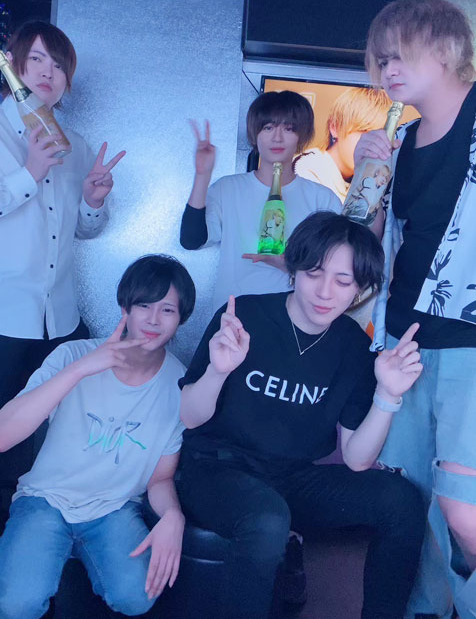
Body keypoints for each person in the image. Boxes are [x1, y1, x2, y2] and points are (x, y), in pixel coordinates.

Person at [177, 210, 425, 619]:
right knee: (267, 518)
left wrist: (387, 394)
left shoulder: (352, 347)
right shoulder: (245, 317)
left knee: (400, 501)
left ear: (359, 289)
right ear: (293, 270)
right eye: (314, 273)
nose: (325, 292)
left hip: (290, 477)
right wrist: (218, 371)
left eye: (343, 281)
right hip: (214, 468)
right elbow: (189, 417)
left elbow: (357, 459)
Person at [0, 21, 126, 552]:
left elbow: (81, 230)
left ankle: (47, 530)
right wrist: (30, 173)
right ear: (15, 65)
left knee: (61, 431)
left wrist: (94, 200)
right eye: (37, 59)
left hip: (58, 319)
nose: (48, 72)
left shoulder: (75, 144)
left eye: (59, 65)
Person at [0, 254, 195, 619]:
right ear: (125, 307)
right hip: (45, 499)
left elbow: (160, 477)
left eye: (167, 310)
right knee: (15, 606)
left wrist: (173, 517)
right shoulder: (74, 354)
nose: (153, 320)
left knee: (137, 597)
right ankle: (15, 552)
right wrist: (81, 369)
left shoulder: (180, 386)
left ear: (181, 319)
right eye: (144, 305)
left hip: (114, 508)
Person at [360, 0, 476, 618]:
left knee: (463, 509)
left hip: (470, 340)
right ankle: (426, 609)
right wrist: (368, 181)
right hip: (402, 336)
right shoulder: (398, 140)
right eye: (382, 59)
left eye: (400, 53)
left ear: (449, 47)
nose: (389, 69)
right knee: (411, 496)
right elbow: (369, 245)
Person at [179, 91, 341, 312]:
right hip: (233, 315)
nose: (277, 138)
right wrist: (202, 174)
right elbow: (191, 240)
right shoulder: (228, 189)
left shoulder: (323, 199)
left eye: (288, 128)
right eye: (268, 128)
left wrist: (292, 266)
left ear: (302, 136)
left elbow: (338, 268)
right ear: (254, 134)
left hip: (295, 318)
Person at [295, 87, 391, 202]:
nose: (371, 143)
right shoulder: (307, 170)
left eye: (378, 136)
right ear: (335, 127)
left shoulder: (369, 178)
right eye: (363, 131)